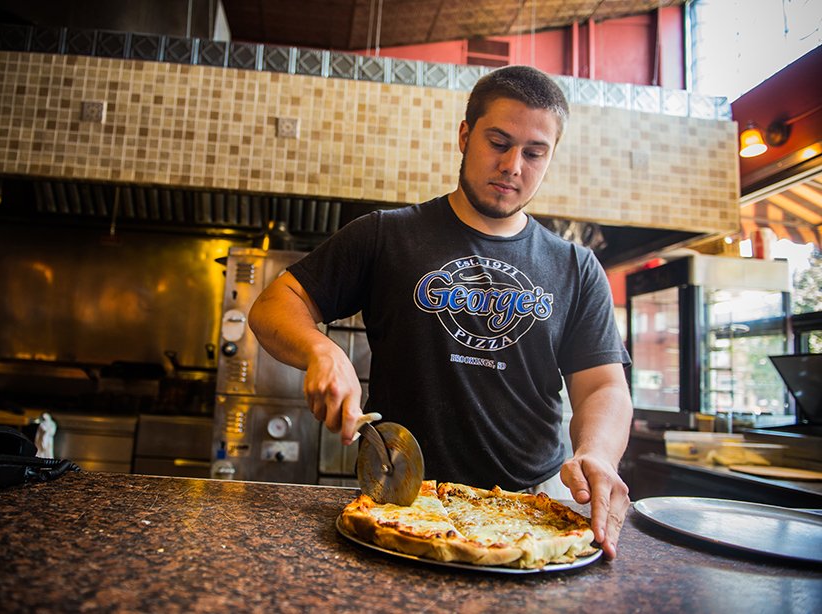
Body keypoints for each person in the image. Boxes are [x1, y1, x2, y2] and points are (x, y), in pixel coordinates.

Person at [248, 65, 633, 559]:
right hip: (404, 499)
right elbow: (273, 305)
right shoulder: (386, 235)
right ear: (465, 136)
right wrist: (320, 349)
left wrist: (597, 453)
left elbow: (603, 384)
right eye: (499, 142)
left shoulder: (576, 267)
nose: (514, 165)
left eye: (534, 153)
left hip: (536, 506)